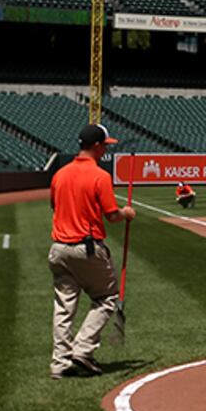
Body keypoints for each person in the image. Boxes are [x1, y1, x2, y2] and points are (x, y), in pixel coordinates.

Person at [48, 123, 136, 379]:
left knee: (64, 307)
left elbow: (54, 205)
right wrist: (126, 213)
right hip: (85, 247)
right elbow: (111, 215)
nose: (105, 151)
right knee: (107, 297)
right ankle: (83, 350)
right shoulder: (100, 176)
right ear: (97, 146)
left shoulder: (60, 174)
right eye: (105, 147)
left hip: (58, 248)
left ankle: (60, 363)